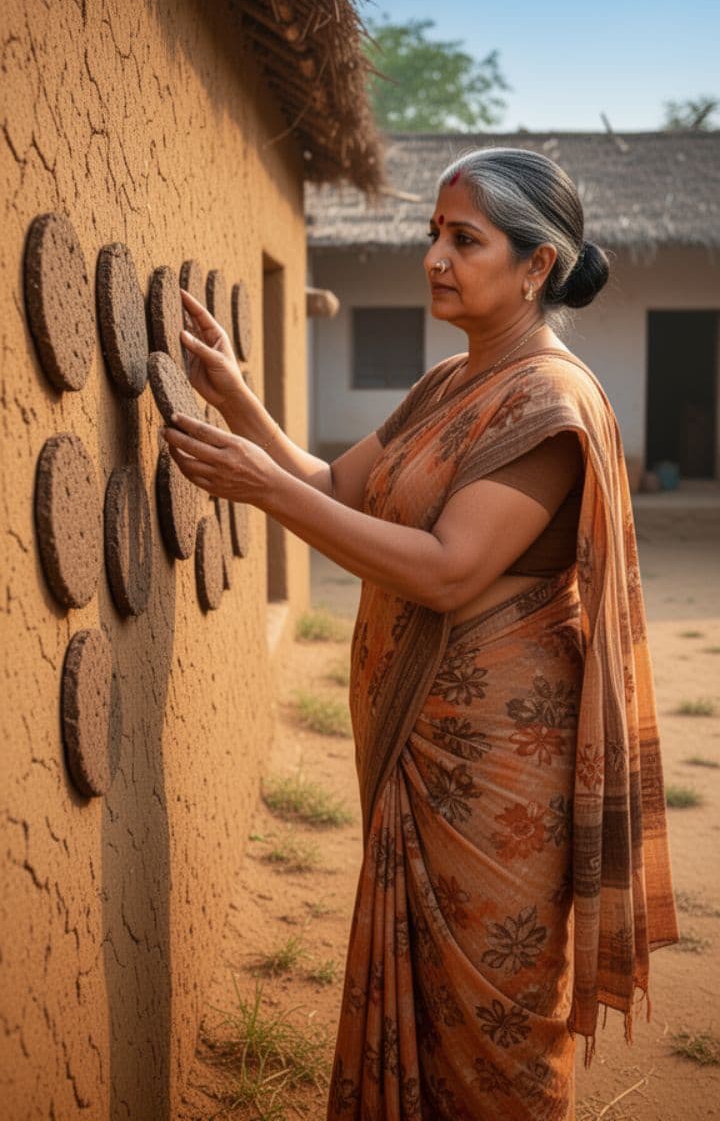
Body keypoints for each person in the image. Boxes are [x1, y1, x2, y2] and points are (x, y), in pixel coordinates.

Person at [163, 148, 679, 1121]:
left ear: (536, 265)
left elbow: (447, 568)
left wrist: (259, 488)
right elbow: (335, 490)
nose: (436, 256)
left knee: (491, 1025)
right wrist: (236, 397)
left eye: (464, 238)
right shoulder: (453, 380)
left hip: (495, 780)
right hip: (424, 743)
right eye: (432, 234)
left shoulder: (545, 402)